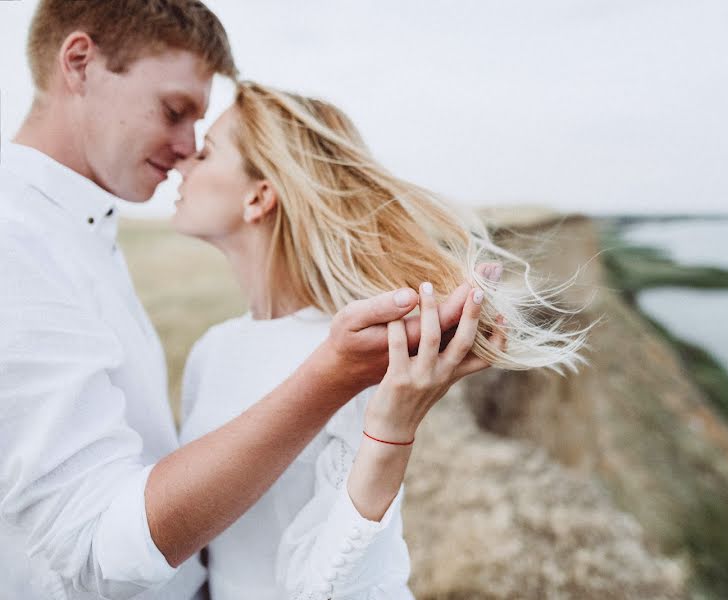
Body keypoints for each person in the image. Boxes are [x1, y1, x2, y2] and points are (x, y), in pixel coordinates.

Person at [0, 2, 484, 599]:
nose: (184, 150)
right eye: (175, 111)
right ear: (80, 63)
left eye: (203, 139)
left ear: (261, 197)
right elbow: (96, 546)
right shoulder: (15, 239)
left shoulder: (85, 233)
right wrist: (328, 378)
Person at [171, 81, 588, 599]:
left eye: (206, 152)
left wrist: (392, 429)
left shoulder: (351, 354)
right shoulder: (212, 350)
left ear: (258, 197)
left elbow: (334, 588)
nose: (181, 160)